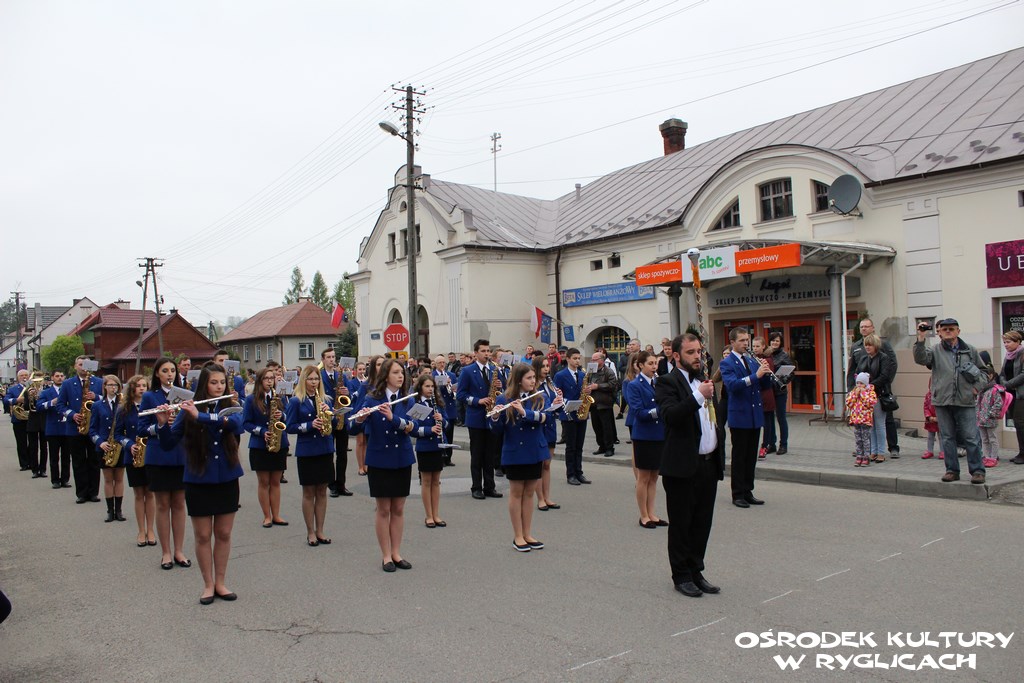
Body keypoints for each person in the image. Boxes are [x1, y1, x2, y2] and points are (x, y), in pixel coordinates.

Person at [156, 364, 244, 605]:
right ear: (204, 384)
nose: (219, 387)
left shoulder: (232, 406)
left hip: (226, 477)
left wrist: (200, 416)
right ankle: (207, 584)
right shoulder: (188, 409)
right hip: (198, 478)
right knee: (203, 535)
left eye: (222, 382)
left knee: (223, 533)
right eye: (214, 382)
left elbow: (236, 425)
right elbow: (168, 444)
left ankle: (221, 583)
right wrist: (162, 424)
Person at [655, 333, 724, 598]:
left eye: (699, 352)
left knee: (702, 523)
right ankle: (681, 574)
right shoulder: (667, 382)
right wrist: (697, 396)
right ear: (676, 356)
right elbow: (670, 415)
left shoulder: (704, 381)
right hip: (682, 466)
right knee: (682, 524)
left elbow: (713, 420)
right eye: (691, 352)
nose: (697, 357)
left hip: (708, 463)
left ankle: (696, 570)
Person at [351, 359, 416, 572]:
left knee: (398, 508)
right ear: (386, 375)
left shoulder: (408, 400)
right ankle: (386, 556)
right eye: (396, 372)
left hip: (402, 458)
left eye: (402, 373)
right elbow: (352, 428)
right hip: (379, 459)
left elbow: (415, 428)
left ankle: (396, 553)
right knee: (383, 509)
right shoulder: (372, 399)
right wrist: (360, 419)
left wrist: (394, 418)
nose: (401, 376)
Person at [913, 318, 987, 484]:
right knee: (947, 438)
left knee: (971, 438)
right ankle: (952, 470)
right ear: (939, 332)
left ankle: (977, 471)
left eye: (951, 329)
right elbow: (920, 359)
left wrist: (976, 388)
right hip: (942, 401)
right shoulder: (935, 350)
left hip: (965, 400)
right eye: (944, 329)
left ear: (958, 331)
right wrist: (921, 337)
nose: (948, 331)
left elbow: (984, 372)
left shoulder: (970, 350)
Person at [488, 363, 553, 552]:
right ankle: (518, 536)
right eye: (529, 378)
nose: (533, 381)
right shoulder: (505, 398)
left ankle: (527, 533)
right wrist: (494, 417)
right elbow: (497, 430)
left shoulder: (539, 397)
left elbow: (546, 418)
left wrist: (525, 412)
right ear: (518, 380)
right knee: (517, 493)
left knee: (530, 493)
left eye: (533, 377)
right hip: (515, 451)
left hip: (534, 451)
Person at [139, 357, 191, 570]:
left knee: (179, 504)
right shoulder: (150, 396)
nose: (170, 374)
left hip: (180, 454)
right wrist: (160, 425)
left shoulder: (184, 394)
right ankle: (166, 552)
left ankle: (179, 550)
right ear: (157, 374)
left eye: (172, 370)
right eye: (165, 371)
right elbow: (141, 428)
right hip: (159, 455)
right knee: (162, 505)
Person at [719, 327, 771, 508]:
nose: (745, 343)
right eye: (741, 340)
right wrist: (756, 375)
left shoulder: (751, 360)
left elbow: (763, 385)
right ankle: (738, 493)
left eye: (746, 340)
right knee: (739, 457)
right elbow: (732, 386)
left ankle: (748, 491)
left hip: (754, 415)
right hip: (740, 416)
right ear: (732, 342)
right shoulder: (727, 363)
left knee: (750, 457)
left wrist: (766, 372)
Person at [285, 365, 335, 547]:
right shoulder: (296, 401)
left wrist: (330, 415)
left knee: (322, 491)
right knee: (308, 492)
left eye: (316, 379)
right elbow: (290, 427)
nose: (314, 382)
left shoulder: (326, 399)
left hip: (325, 449)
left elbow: (333, 423)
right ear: (304, 380)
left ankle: (320, 530)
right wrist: (309, 425)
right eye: (311, 379)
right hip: (307, 451)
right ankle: (310, 532)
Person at [456, 339, 504, 500]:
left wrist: (500, 387)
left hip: (492, 417)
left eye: (488, 351)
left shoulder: (494, 369)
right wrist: (478, 401)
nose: (487, 354)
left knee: (490, 454)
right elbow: (460, 395)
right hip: (476, 418)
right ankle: (476, 487)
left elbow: (501, 392)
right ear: (476, 353)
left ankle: (490, 486)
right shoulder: (467, 371)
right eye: (483, 351)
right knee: (477, 455)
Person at [243, 368, 289, 528]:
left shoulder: (279, 397)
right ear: (260, 381)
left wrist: (281, 416)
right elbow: (246, 423)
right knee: (263, 482)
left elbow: (288, 417)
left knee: (275, 481)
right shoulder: (251, 400)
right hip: (259, 445)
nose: (270, 381)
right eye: (266, 378)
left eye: (272, 378)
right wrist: (261, 431)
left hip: (279, 443)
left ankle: (276, 515)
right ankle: (267, 516)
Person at [625, 351, 667, 528]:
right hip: (644, 435)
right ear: (640, 365)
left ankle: (652, 513)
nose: (654, 367)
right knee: (643, 477)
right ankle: (643, 515)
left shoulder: (659, 382)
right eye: (650, 363)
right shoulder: (634, 385)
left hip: (659, 434)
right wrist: (660, 410)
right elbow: (638, 412)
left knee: (654, 477)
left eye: (655, 363)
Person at [847, 318, 899, 457]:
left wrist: (884, 383)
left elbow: (892, 365)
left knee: (886, 420)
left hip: (880, 391)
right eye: (861, 327)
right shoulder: (856, 346)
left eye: (866, 326)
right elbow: (853, 370)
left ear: (872, 328)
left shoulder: (883, 346)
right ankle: (869, 449)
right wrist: (853, 388)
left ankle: (892, 448)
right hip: (865, 393)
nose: (864, 329)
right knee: (869, 422)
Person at [116, 374, 156, 547]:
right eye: (138, 386)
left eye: (144, 386)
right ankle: (141, 530)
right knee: (139, 494)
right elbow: (118, 434)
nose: (141, 389)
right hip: (133, 455)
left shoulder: (153, 407)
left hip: (151, 454)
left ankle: (151, 530)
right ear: (132, 389)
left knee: (150, 493)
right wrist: (129, 444)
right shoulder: (124, 409)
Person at [57, 356, 104, 504]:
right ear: (75, 366)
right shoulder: (67, 383)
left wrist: (96, 396)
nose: (83, 367)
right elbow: (60, 405)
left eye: (86, 364)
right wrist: (72, 414)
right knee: (78, 461)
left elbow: (109, 400)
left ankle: (93, 492)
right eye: (80, 364)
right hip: (75, 427)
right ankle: (82, 493)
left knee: (94, 461)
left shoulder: (99, 382)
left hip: (94, 427)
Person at [554, 348, 596, 486]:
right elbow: (557, 395)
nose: (577, 361)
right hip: (568, 414)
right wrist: (567, 402)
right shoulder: (560, 375)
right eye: (575, 358)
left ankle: (579, 472)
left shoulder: (583, 374)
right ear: (568, 359)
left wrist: (588, 391)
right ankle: (571, 474)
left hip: (581, 414)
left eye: (579, 358)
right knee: (571, 446)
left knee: (579, 446)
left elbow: (583, 391)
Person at [410, 374, 447, 528]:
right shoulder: (416, 404)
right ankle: (428, 516)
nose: (430, 389)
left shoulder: (437, 402)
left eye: (432, 386)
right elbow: (413, 429)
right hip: (424, 446)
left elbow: (447, 424)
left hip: (437, 445)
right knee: (426, 481)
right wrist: (429, 430)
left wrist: (442, 420)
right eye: (427, 386)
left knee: (436, 481)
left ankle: (436, 514)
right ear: (420, 387)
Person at [89, 375, 127, 523]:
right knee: (108, 479)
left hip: (120, 446)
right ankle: (110, 511)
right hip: (105, 446)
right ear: (104, 387)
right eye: (110, 385)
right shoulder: (97, 405)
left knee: (119, 479)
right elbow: (92, 430)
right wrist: (100, 442)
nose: (113, 388)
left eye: (116, 385)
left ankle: (119, 510)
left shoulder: (123, 404)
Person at [857, 334, 896, 463]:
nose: (867, 347)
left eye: (870, 345)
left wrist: (871, 386)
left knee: (879, 424)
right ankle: (873, 451)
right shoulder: (865, 358)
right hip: (867, 396)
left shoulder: (883, 358)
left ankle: (881, 452)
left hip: (879, 395)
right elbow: (858, 373)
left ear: (876, 345)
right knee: (871, 425)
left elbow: (885, 376)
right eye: (866, 345)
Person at [320, 348, 352, 498]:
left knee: (342, 454)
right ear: (323, 360)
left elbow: (349, 396)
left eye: (333, 357)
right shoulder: (319, 376)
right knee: (329, 453)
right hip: (328, 417)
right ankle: (331, 485)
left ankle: (341, 484)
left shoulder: (342, 376)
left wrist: (347, 393)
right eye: (329, 357)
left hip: (341, 417)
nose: (332, 360)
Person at [531, 355, 561, 512]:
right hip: (539, 426)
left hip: (550, 426)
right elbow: (534, 406)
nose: (546, 369)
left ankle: (547, 496)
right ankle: (540, 498)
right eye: (543, 366)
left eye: (547, 366)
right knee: (540, 464)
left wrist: (560, 401)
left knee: (547, 464)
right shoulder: (533, 385)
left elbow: (554, 403)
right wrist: (550, 405)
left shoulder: (550, 383)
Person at [36, 371, 71, 489]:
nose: (60, 378)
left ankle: (65, 479)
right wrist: (51, 402)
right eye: (57, 376)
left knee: (66, 457)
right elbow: (39, 406)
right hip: (53, 428)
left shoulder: (68, 391)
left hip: (66, 428)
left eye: (61, 376)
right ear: (52, 378)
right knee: (54, 457)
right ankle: (55, 480)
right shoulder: (46, 392)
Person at [355, 355, 384, 476]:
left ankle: (367, 465)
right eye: (378, 364)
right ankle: (362, 466)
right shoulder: (365, 385)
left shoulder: (388, 383)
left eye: (383, 364)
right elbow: (358, 406)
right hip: (368, 420)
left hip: (382, 422)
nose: (381, 367)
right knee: (361, 443)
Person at [998, 330, 1024, 464]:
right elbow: (1003, 373)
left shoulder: (1022, 354)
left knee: (1020, 423)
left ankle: (1023, 454)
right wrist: (1003, 383)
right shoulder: (1008, 356)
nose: (1006, 345)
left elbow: (1023, 374)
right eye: (1004, 342)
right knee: (1017, 423)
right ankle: (1021, 452)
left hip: (1021, 394)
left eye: (1008, 342)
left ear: (1018, 342)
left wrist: (1008, 384)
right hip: (1010, 394)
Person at [766, 332, 793, 455]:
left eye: (777, 341)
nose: (775, 343)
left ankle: (783, 445)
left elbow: (791, 372)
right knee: (769, 419)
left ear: (781, 342)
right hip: (768, 391)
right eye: (773, 340)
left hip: (780, 391)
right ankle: (771, 444)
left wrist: (781, 380)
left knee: (781, 418)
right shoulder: (766, 354)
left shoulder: (784, 355)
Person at [975, 360, 1006, 469]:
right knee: (984, 439)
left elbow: (998, 403)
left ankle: (993, 457)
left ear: (991, 375)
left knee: (992, 438)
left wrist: (991, 414)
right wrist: (977, 414)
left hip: (990, 419)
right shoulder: (980, 389)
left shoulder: (994, 390)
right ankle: (986, 456)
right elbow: (977, 403)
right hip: (980, 419)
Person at [588, 351, 618, 457]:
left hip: (604, 403)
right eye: (592, 359)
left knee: (606, 428)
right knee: (597, 427)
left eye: (594, 360)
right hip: (593, 404)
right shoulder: (591, 371)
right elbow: (588, 382)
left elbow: (613, 385)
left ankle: (609, 448)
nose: (592, 361)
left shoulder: (608, 371)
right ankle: (601, 446)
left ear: (601, 360)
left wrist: (598, 386)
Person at [846, 372, 877, 468]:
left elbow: (871, 403)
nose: (859, 385)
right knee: (858, 439)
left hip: (865, 420)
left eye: (861, 383)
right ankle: (859, 455)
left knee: (865, 439)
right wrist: (855, 395)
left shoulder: (870, 392)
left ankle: (866, 456)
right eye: (857, 383)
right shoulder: (853, 392)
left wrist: (863, 394)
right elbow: (849, 403)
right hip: (856, 420)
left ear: (866, 384)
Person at [752, 337, 776, 459]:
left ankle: (765, 446)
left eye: (757, 346)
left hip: (766, 394)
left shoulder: (767, 360)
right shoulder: (752, 358)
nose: (755, 348)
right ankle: (771, 444)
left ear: (763, 346)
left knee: (767, 422)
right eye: (753, 346)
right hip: (757, 393)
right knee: (765, 421)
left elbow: (766, 379)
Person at [431, 354, 458, 467]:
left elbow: (456, 387)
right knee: (441, 434)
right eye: (439, 363)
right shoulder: (432, 375)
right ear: (435, 364)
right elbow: (433, 390)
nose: (442, 364)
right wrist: (443, 384)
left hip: (450, 407)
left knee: (450, 434)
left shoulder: (451, 375)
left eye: (443, 362)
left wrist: (454, 389)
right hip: (441, 407)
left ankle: (448, 458)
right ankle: (441, 457)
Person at [3, 370, 32, 472]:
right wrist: (16, 400)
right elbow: (6, 400)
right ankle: (24, 463)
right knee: (21, 442)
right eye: (21, 375)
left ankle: (33, 462)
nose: (24, 377)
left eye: (26, 375)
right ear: (18, 377)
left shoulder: (32, 387)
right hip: (18, 419)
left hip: (31, 418)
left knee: (32, 443)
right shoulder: (13, 389)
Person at [921, 379, 943, 460]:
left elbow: (943, 408)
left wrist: (939, 417)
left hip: (940, 420)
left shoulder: (942, 396)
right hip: (930, 420)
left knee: (941, 436)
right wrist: (929, 416)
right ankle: (930, 451)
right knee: (930, 436)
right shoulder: (928, 395)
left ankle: (943, 451)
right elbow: (926, 406)